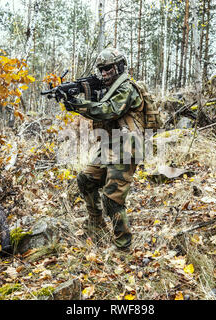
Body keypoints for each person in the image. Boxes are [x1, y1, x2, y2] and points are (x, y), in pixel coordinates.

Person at [62, 48, 146, 250]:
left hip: (128, 146)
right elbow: (100, 104)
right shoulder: (108, 88)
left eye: (108, 69)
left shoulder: (126, 88)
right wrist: (75, 93)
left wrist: (78, 104)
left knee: (112, 198)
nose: (105, 73)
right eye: (102, 70)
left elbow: (108, 111)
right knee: (86, 179)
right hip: (109, 144)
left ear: (119, 67)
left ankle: (123, 246)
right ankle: (96, 225)